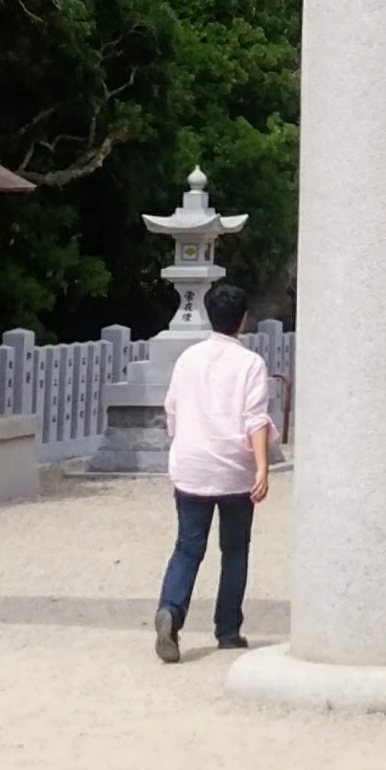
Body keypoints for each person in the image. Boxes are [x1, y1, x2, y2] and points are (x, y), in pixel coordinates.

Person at [154, 282, 274, 662]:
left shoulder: (187, 358)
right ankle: (227, 629)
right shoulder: (250, 364)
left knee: (188, 547)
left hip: (191, 463)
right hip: (233, 468)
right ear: (243, 321)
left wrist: (184, 441)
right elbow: (255, 418)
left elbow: (171, 410)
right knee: (234, 549)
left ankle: (171, 611)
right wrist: (262, 467)